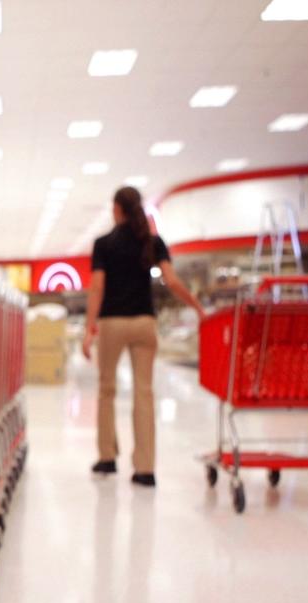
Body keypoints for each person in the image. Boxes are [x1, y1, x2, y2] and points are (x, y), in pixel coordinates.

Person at [82, 186, 204, 487]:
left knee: (106, 390)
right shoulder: (153, 241)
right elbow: (172, 281)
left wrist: (89, 328)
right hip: (144, 322)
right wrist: (198, 307)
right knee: (144, 393)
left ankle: (107, 457)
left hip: (112, 321)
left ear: (117, 209)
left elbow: (97, 287)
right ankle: (145, 468)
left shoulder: (103, 244)